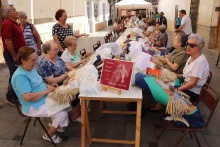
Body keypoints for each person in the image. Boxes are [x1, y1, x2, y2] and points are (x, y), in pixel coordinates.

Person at [11, 46, 68, 143]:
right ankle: (49, 135)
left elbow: (39, 82)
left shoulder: (31, 68)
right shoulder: (20, 76)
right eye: (33, 60)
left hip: (42, 98)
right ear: (23, 61)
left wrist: (48, 86)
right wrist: (46, 91)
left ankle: (54, 123)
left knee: (65, 101)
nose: (35, 62)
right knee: (63, 114)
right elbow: (27, 97)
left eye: (35, 59)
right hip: (32, 106)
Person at [150, 34, 209, 111]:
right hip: (184, 84)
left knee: (163, 88)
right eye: (187, 44)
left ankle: (161, 106)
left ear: (199, 47)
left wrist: (177, 89)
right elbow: (185, 75)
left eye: (191, 45)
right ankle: (160, 105)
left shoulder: (200, 62)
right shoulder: (191, 56)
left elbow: (192, 83)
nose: (188, 47)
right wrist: (172, 75)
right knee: (161, 80)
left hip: (191, 92)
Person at [38, 40, 81, 122]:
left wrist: (70, 69)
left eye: (57, 49)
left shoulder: (56, 57)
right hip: (54, 87)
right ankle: (75, 115)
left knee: (79, 85)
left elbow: (65, 65)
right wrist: (66, 75)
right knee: (76, 89)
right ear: (47, 51)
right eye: (55, 50)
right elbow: (51, 81)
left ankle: (78, 111)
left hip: (65, 81)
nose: (57, 51)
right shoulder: (45, 63)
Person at [1, 5, 26, 106]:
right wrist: (14, 56)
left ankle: (13, 95)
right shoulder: (7, 24)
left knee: (16, 74)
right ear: (8, 13)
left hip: (17, 53)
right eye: (14, 10)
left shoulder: (13, 23)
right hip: (12, 54)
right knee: (15, 74)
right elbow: (8, 42)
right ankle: (10, 97)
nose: (17, 11)